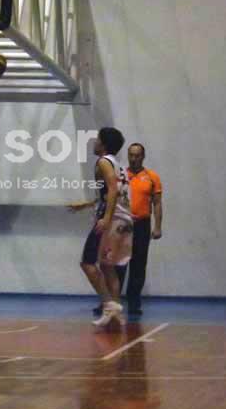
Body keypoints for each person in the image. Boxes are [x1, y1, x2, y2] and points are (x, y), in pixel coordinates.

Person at [69, 127, 133, 328]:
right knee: (107, 266)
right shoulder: (118, 164)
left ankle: (108, 304)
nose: (94, 142)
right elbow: (111, 193)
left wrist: (106, 218)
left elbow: (113, 190)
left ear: (103, 144)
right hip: (124, 219)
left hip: (112, 220)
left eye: (97, 139)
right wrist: (87, 204)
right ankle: (116, 313)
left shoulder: (103, 162)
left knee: (87, 263)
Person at [118, 143, 163, 316]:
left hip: (142, 225)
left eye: (137, 155)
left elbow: (157, 203)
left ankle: (134, 302)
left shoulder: (152, 177)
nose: (133, 158)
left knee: (138, 264)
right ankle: (111, 302)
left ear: (143, 157)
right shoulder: (120, 175)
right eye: (131, 155)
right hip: (123, 224)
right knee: (118, 264)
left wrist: (157, 226)